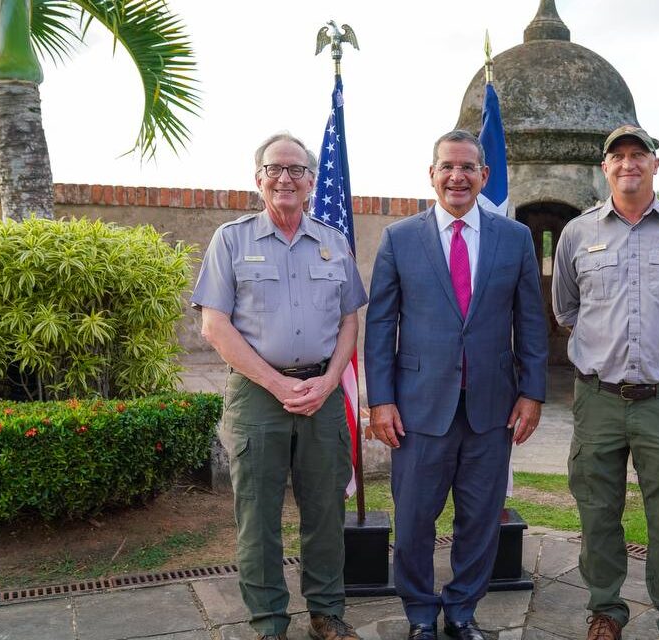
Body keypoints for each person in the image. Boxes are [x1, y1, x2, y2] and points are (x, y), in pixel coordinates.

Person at [365, 130, 548, 640]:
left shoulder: (513, 239)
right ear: (432, 174)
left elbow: (530, 322)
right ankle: (421, 614)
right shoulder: (400, 239)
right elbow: (381, 326)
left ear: (484, 176)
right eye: (447, 166)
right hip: (419, 410)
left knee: (480, 522)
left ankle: (463, 612)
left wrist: (532, 392)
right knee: (415, 522)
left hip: (492, 409)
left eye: (468, 167)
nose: (457, 176)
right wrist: (380, 400)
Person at [192, 132, 367, 640]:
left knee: (325, 511)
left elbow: (350, 321)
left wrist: (331, 380)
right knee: (258, 517)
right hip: (256, 396)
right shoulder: (232, 240)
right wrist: (275, 383)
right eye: (275, 169)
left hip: (323, 394)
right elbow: (215, 325)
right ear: (258, 179)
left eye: (296, 170)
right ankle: (269, 622)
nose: (285, 178)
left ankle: (327, 615)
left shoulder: (334, 242)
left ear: (312, 181)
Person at [552, 125, 659, 640]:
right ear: (605, 168)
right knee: (598, 511)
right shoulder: (578, 234)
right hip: (597, 399)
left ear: (654, 164)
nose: (628, 164)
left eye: (638, 155)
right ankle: (605, 610)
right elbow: (566, 308)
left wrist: (658, 340)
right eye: (618, 156)